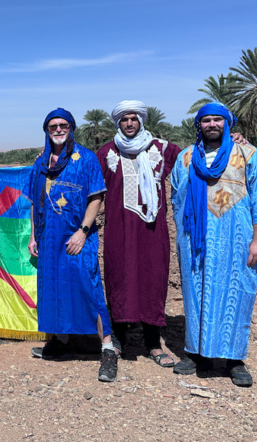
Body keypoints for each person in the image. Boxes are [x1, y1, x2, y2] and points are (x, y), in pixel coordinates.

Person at [170, 103, 257, 387]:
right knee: (196, 294)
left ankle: (234, 360)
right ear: (198, 125)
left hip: (237, 241)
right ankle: (195, 354)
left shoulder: (247, 154)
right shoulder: (185, 158)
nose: (212, 124)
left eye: (218, 119)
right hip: (196, 242)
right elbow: (176, 198)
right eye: (206, 120)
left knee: (236, 294)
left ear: (227, 123)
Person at [26, 108, 118, 383]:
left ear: (71, 127)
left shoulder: (86, 159)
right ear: (46, 130)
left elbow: (96, 197)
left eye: (63, 124)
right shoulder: (41, 162)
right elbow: (35, 202)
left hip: (77, 237)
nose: (57, 129)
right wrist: (33, 236)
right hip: (48, 238)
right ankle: (62, 342)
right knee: (53, 288)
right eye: (52, 125)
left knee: (89, 287)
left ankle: (108, 349)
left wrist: (83, 231)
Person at [96, 101, 181, 367]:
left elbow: (196, 158)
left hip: (152, 230)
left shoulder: (163, 149)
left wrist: (236, 140)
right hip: (118, 231)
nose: (130, 123)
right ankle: (119, 340)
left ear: (141, 121)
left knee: (152, 278)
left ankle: (153, 344)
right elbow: (90, 186)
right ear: (118, 123)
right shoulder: (107, 152)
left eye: (134, 119)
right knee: (119, 278)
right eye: (124, 120)